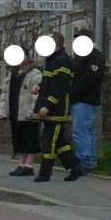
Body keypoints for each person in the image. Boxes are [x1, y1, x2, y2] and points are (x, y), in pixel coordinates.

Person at [33, 35, 80, 183]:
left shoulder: (63, 62)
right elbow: (49, 82)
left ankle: (45, 173)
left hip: (56, 110)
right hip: (51, 108)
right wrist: (40, 88)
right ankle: (75, 167)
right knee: (59, 142)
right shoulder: (53, 60)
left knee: (49, 141)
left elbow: (60, 87)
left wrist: (48, 105)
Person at [0, 42, 40, 176]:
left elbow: (36, 95)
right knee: (19, 139)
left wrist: (32, 111)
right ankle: (21, 163)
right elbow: (5, 93)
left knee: (30, 139)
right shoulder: (12, 74)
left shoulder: (35, 74)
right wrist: (3, 111)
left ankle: (29, 165)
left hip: (27, 112)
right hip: (15, 111)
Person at [69, 31, 106, 173]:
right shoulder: (82, 56)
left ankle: (86, 161)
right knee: (85, 130)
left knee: (82, 130)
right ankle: (88, 159)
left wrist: (73, 91)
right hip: (81, 99)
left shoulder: (95, 56)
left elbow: (91, 78)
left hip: (86, 99)